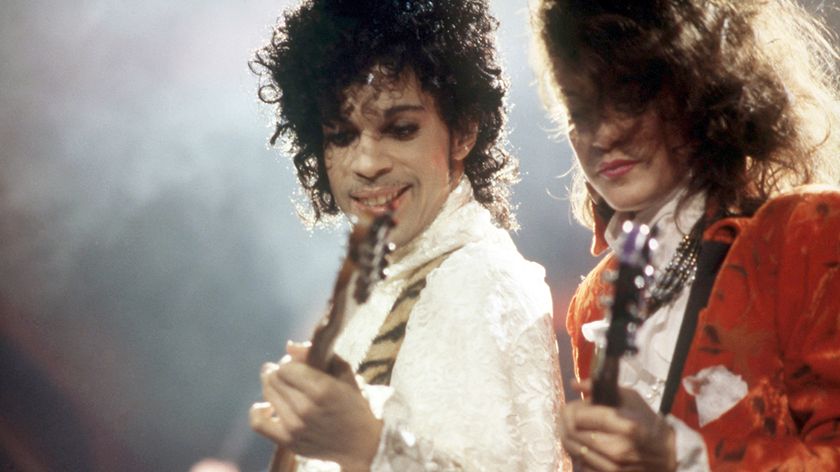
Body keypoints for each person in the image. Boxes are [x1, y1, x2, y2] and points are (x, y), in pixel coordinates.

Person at [248, 0, 565, 470]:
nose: (366, 162)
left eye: (400, 129)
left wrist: (366, 446)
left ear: (463, 132)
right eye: (340, 135)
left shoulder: (477, 283)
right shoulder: (379, 284)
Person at [532, 0, 840, 470]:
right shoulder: (593, 302)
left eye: (629, 98)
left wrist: (683, 456)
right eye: (580, 111)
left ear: (698, 85)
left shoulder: (803, 234)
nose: (602, 135)